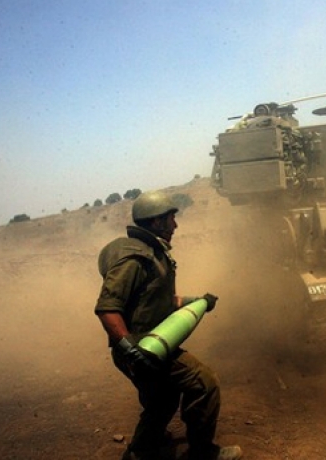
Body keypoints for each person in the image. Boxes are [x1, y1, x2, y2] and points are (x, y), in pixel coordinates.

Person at [94, 190, 242, 460]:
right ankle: (202, 454)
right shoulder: (135, 259)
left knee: (162, 401)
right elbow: (107, 309)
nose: (175, 225)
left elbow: (165, 300)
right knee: (204, 383)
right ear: (155, 221)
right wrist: (132, 351)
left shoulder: (153, 253)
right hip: (144, 347)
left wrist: (199, 301)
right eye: (171, 218)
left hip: (147, 344)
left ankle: (141, 451)